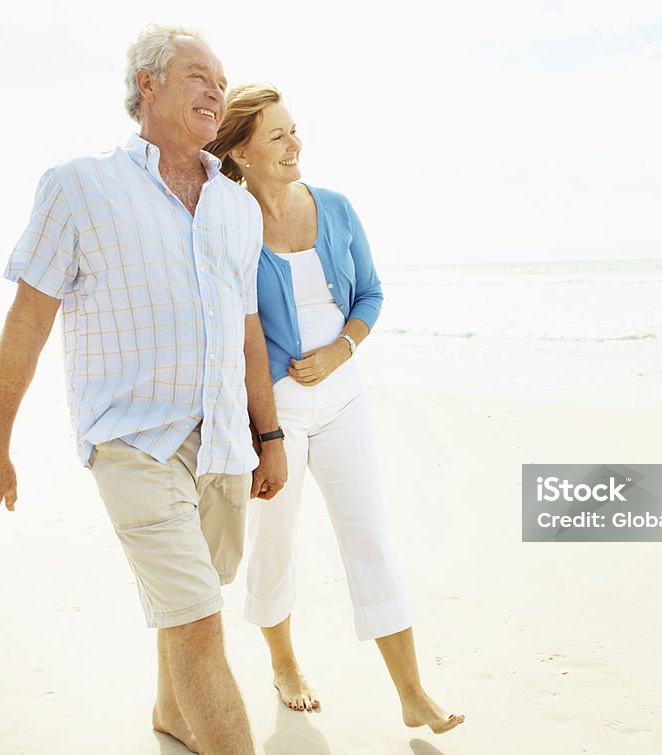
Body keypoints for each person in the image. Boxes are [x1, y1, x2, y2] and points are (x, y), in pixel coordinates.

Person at [0, 26, 286, 754]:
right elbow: (26, 321)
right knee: (200, 621)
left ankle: (171, 714)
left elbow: (248, 331)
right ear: (148, 84)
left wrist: (269, 436)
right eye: (198, 75)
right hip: (132, 440)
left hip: (226, 441)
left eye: (221, 79)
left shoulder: (236, 207)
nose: (215, 90)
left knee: (195, 600)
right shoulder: (79, 185)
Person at [205, 84, 465, 734]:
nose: (296, 144)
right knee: (275, 541)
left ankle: (412, 691)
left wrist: (341, 352)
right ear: (241, 149)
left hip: (343, 397)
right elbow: (233, 327)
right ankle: (284, 663)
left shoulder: (338, 208)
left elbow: (371, 294)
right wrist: (261, 428)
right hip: (275, 410)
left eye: (296, 130)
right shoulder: (229, 222)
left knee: (368, 535)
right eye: (279, 136)